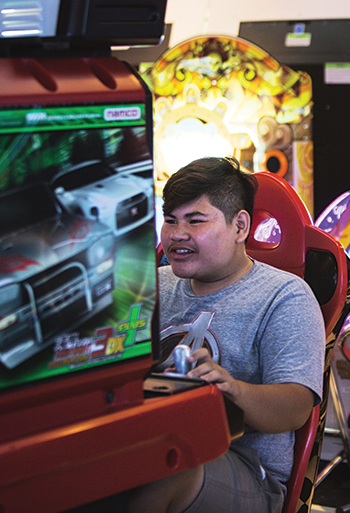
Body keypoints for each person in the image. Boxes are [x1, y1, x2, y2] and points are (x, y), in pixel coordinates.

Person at [129, 156, 325, 513]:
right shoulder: (153, 286)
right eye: (170, 220)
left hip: (247, 469)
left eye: (195, 221)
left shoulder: (285, 295)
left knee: (162, 470)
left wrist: (231, 389)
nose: (176, 234)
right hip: (148, 442)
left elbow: (296, 407)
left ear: (240, 226)